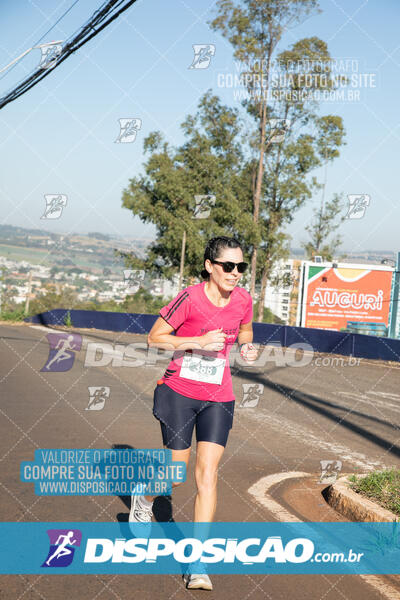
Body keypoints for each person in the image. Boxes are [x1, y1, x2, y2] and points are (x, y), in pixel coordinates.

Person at [129, 236, 257, 590]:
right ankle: (146, 498)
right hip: (179, 393)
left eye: (240, 266)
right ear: (210, 266)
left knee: (208, 475)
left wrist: (246, 347)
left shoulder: (243, 300)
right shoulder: (190, 298)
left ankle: (197, 561)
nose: (235, 273)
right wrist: (197, 342)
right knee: (174, 474)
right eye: (228, 266)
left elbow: (245, 330)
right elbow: (154, 338)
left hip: (219, 396)